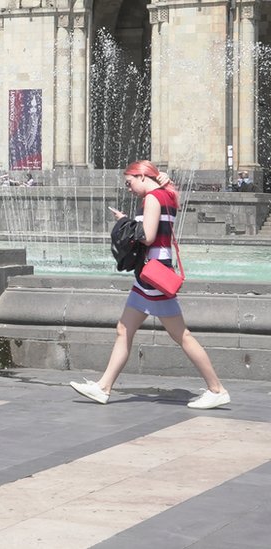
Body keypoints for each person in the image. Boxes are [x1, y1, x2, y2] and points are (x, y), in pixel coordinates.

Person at [70, 160, 229, 409]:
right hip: (151, 276)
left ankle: (216, 389)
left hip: (154, 276)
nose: (129, 188)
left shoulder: (153, 198)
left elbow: (148, 236)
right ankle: (103, 387)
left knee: (181, 335)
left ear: (142, 176)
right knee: (124, 329)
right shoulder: (167, 194)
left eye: (129, 182)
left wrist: (124, 222)